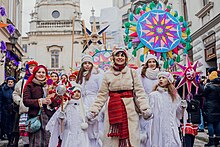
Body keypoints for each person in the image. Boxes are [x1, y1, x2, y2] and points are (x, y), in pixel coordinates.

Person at [88, 48, 152, 147]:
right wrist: (94, 110)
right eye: (117, 55)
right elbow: (101, 95)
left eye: (122, 55)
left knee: (131, 139)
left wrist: (145, 108)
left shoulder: (132, 73)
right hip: (112, 110)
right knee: (112, 141)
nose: (120, 57)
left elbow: (140, 92)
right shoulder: (107, 74)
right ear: (113, 58)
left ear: (126, 58)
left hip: (130, 111)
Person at [149, 72, 187, 147]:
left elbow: (179, 114)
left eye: (163, 78)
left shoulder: (174, 96)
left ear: (168, 80)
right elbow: (150, 111)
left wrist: (183, 107)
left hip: (171, 125)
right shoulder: (153, 95)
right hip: (158, 125)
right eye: (159, 78)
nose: (161, 80)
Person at [23, 65, 56, 147]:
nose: (41, 74)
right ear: (35, 74)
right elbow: (26, 101)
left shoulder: (50, 85)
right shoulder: (30, 85)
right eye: (39, 72)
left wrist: (51, 102)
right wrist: (39, 101)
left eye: (43, 72)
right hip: (36, 116)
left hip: (49, 116)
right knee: (36, 140)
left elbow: (56, 101)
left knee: (48, 138)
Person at [76, 55, 103, 147]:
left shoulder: (97, 75)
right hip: (83, 102)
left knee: (96, 127)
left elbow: (101, 90)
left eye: (89, 63)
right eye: (85, 63)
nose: (87, 65)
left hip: (94, 101)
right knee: (85, 126)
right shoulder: (80, 77)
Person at [13, 60, 38, 147]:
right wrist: (20, 101)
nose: (32, 69)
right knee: (25, 131)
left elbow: (50, 86)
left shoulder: (42, 79)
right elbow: (15, 93)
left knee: (36, 128)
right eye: (30, 68)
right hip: (25, 110)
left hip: (37, 110)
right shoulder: (22, 81)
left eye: (34, 68)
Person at [138, 54, 160, 147]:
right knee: (144, 127)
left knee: (156, 126)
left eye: (153, 61)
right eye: (150, 62)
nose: (152, 64)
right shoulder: (142, 74)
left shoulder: (160, 74)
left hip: (157, 103)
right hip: (145, 102)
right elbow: (139, 89)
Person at [204, 70, 220, 146]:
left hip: (210, 106)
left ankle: (211, 142)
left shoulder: (209, 86)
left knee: (210, 123)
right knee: (217, 123)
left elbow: (204, 95)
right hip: (218, 106)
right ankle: (217, 141)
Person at [0, 77, 16, 146]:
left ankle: (11, 140)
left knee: (13, 126)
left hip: (13, 110)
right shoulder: (3, 89)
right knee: (6, 125)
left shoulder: (15, 89)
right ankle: (8, 138)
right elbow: (1, 100)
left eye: (11, 82)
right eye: (9, 82)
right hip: (5, 110)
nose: (10, 83)